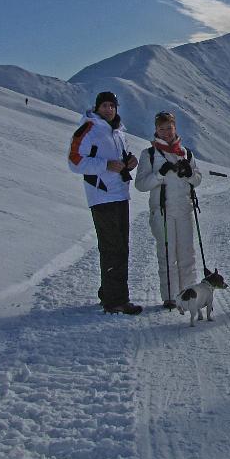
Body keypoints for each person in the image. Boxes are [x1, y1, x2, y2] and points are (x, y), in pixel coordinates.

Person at [67, 91, 142, 315]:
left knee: (121, 248)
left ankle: (109, 293)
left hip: (120, 194)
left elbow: (117, 156)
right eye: (104, 106)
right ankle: (116, 301)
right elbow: (74, 161)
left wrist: (130, 161)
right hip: (101, 196)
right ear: (97, 107)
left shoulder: (118, 131)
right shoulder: (88, 129)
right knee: (113, 248)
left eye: (112, 106)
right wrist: (105, 166)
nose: (109, 109)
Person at [135, 111, 202, 309]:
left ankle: (188, 292)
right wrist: (159, 175)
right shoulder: (149, 154)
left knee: (187, 253)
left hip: (184, 208)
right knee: (167, 254)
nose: (166, 132)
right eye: (162, 128)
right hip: (162, 211)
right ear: (156, 130)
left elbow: (197, 179)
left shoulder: (186, 153)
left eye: (169, 128)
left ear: (175, 128)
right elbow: (140, 184)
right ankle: (171, 296)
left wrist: (189, 174)